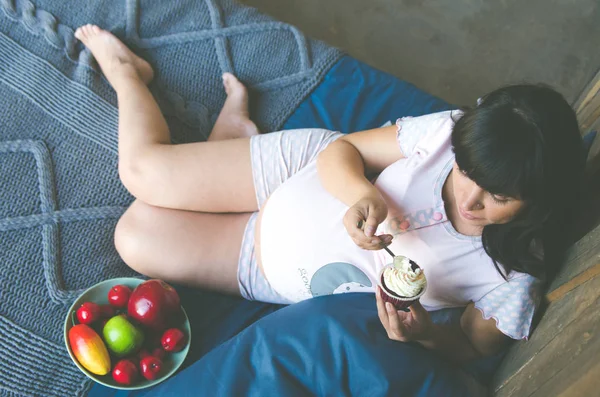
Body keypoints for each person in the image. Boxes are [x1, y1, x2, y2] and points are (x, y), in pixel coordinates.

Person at [74, 25, 585, 362]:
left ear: (540, 199)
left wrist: (424, 333)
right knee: (140, 173)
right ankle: (127, 75)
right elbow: (342, 153)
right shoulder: (450, 132)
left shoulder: (515, 276)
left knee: (135, 236)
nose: (472, 199)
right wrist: (362, 194)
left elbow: (474, 349)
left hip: (267, 268)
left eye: (499, 197)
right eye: (468, 172)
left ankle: (229, 137)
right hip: (297, 175)